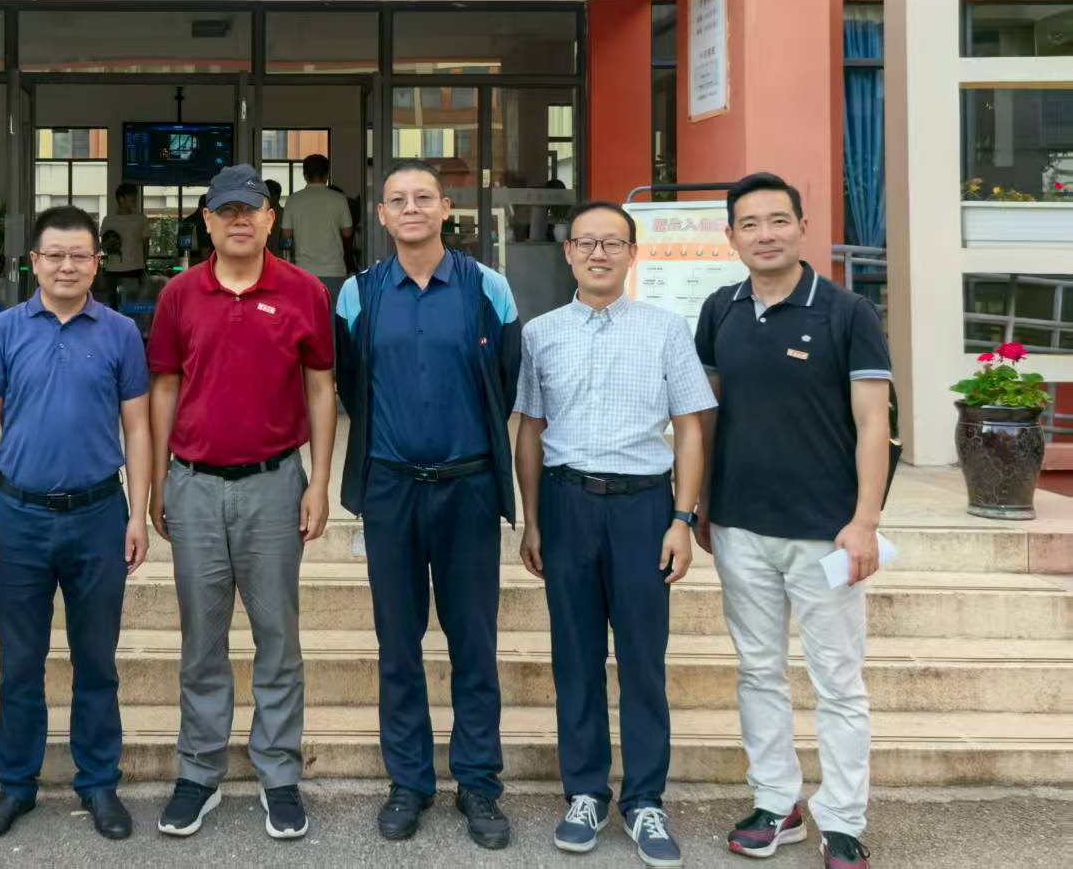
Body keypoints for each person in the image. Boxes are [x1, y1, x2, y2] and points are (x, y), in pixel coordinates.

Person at [694, 173, 891, 869]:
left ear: (803, 227)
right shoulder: (719, 309)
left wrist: (865, 520)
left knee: (838, 681)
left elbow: (874, 423)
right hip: (740, 527)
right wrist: (700, 504)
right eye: (750, 223)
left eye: (778, 220)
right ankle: (777, 801)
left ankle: (842, 816)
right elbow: (705, 417)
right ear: (732, 237)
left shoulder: (847, 311)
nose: (765, 234)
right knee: (758, 671)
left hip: (825, 532)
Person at [514, 201, 713, 867]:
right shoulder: (540, 333)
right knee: (574, 656)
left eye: (612, 243)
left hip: (643, 509)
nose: (599, 253)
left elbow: (689, 427)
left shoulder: (665, 329)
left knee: (642, 659)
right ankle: (586, 792)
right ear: (568, 252)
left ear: (633, 253)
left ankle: (646, 797)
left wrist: (682, 519)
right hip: (567, 503)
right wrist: (533, 519)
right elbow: (530, 431)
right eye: (586, 242)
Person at [334, 159, 522, 851]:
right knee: (398, 640)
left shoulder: (487, 287)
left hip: (468, 487)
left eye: (423, 197)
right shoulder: (357, 293)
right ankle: (409, 781)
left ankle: (478, 782)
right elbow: (351, 383)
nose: (410, 207)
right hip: (391, 489)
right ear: (381, 215)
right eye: (397, 199)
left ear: (446, 208)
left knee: (474, 641)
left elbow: (506, 378)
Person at [146, 164, 337, 842]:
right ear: (206, 220)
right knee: (202, 639)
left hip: (274, 483)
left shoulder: (304, 291)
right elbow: (164, 386)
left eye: (249, 209)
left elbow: (322, 387)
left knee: (277, 637)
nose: (238, 220)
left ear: (269, 218)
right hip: (195, 485)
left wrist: (319, 481)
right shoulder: (179, 294)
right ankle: (198, 772)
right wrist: (158, 480)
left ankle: (279, 775)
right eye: (224, 210)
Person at [0, 206, 153, 844]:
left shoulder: (121, 332)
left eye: (80, 255)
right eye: (55, 255)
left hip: (99, 515)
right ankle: (15, 785)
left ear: (98, 263)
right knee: (20, 663)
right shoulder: (2, 331)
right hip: (18, 517)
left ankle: (99, 782)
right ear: (34, 262)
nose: (67, 266)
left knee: (96, 660)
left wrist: (137, 512)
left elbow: (137, 428)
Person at [279, 154, 354, 302]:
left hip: (304, 270)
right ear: (327, 174)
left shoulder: (293, 200)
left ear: (305, 175)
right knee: (332, 313)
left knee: (306, 313)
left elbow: (286, 236)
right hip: (335, 270)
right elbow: (347, 232)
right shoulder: (339, 198)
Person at [99, 183, 149, 309]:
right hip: (113, 270)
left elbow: (145, 244)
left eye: (135, 196)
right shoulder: (108, 220)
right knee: (112, 307)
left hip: (135, 268)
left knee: (132, 307)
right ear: (121, 199)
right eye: (131, 196)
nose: (134, 199)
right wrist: (110, 243)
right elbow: (103, 247)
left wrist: (144, 264)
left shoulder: (141, 219)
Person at [264, 178, 287, 256]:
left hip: (279, 257)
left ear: (276, 197)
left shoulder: (284, 215)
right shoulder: (259, 214)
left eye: (266, 196)